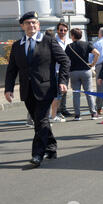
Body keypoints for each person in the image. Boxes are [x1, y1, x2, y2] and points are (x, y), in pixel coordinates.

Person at [4, 11, 70, 167]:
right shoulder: (17, 45)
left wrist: (62, 81)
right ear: (22, 26)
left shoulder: (48, 41)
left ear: (38, 25)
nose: (31, 25)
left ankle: (37, 154)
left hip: (46, 89)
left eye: (34, 23)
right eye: (27, 23)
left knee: (40, 120)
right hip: (27, 90)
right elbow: (12, 69)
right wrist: (8, 89)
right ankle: (51, 147)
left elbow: (65, 61)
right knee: (40, 121)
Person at [65, 28, 101, 121]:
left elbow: (65, 59)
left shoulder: (69, 47)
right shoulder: (86, 44)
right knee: (89, 92)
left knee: (76, 93)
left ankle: (77, 115)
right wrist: (93, 63)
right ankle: (93, 113)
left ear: (72, 36)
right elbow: (97, 53)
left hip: (73, 71)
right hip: (85, 70)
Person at [55, 22, 72, 118]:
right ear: (57, 30)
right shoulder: (54, 41)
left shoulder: (69, 41)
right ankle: (57, 110)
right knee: (58, 92)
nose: (62, 32)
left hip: (66, 70)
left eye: (65, 30)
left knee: (65, 90)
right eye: (61, 30)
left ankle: (63, 109)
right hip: (57, 69)